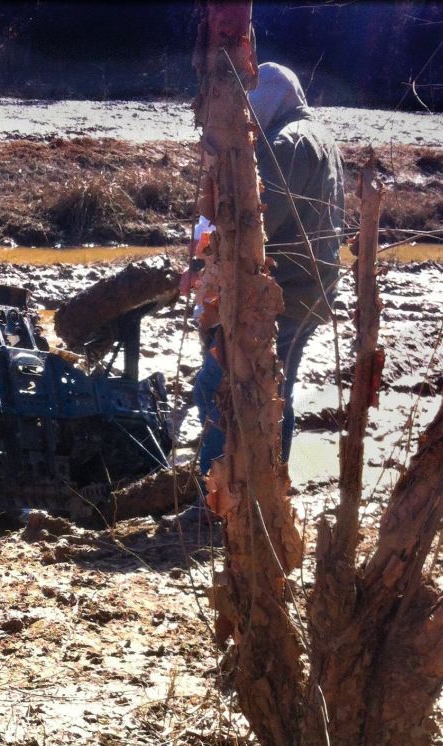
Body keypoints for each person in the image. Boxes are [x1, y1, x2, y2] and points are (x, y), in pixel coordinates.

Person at [187, 62, 344, 494]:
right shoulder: (319, 136)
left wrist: (208, 265)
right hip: (308, 288)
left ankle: (218, 496)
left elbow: (255, 224)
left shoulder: (288, 144)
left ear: (271, 99)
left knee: (217, 387)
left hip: (284, 293)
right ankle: (265, 487)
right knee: (276, 391)